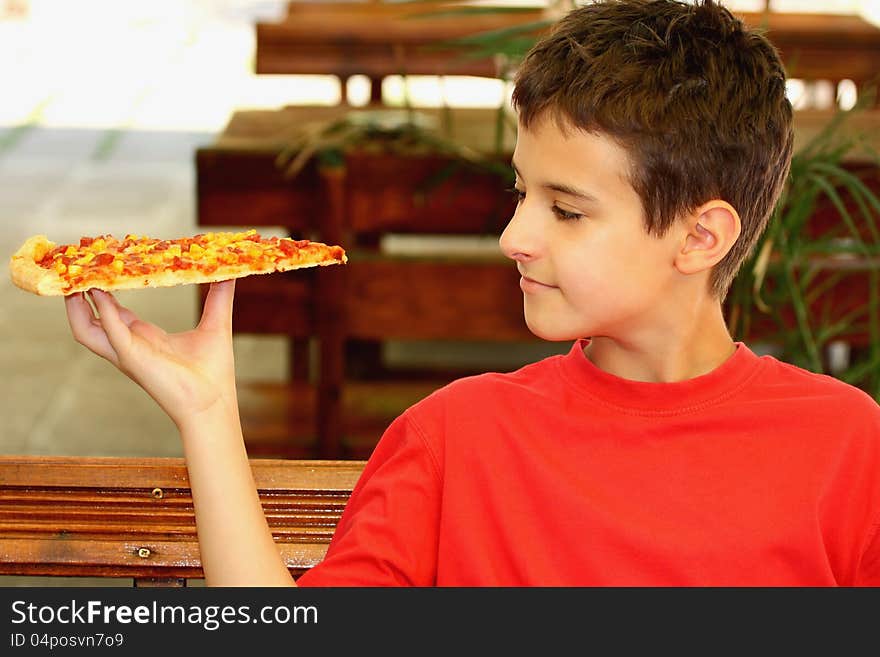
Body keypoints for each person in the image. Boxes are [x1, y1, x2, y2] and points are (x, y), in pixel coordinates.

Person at [65, 0, 880, 586]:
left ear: (701, 237)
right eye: (520, 192)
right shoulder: (455, 437)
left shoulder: (850, 449)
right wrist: (206, 412)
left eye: (566, 209)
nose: (515, 236)